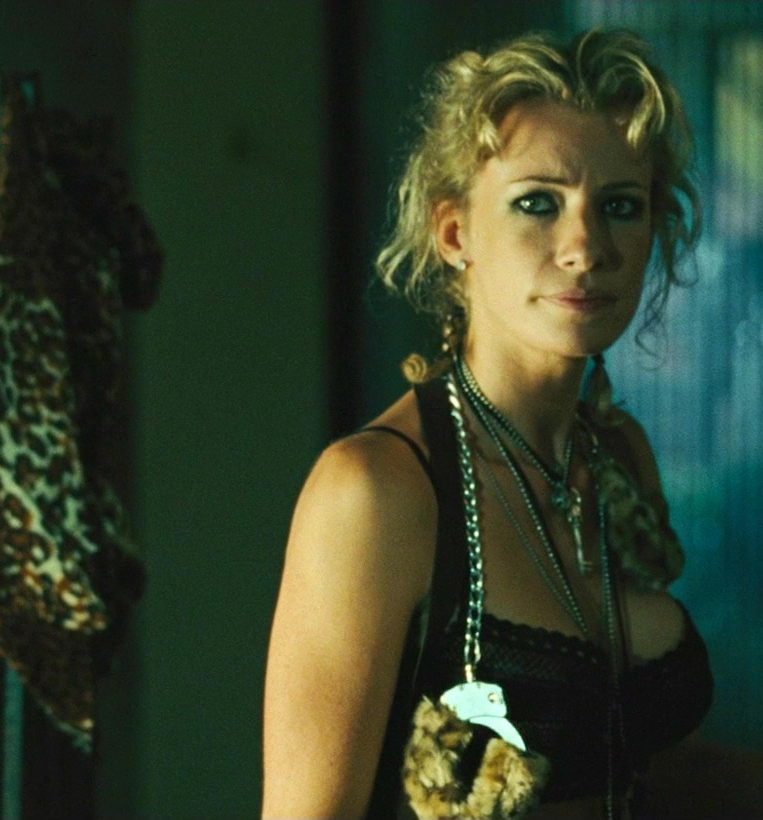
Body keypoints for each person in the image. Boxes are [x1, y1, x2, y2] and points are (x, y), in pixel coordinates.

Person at [264, 29, 718, 819]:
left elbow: (639, 773)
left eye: (620, 206)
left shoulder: (618, 457)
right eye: (538, 203)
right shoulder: (377, 491)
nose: (585, 248)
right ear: (454, 234)